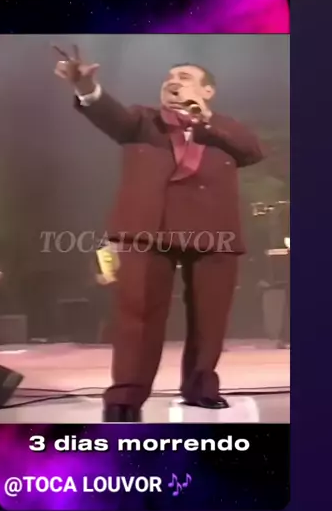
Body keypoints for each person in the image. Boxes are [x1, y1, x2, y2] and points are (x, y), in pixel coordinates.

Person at [54, 44, 264, 422]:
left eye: (184, 77)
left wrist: (203, 120)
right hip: (149, 228)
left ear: (207, 90)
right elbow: (108, 114)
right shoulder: (142, 120)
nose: (172, 82)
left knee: (210, 317)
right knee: (138, 315)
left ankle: (201, 387)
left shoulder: (226, 127)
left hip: (214, 230)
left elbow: (251, 151)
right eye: (168, 78)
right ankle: (126, 396)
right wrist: (85, 87)